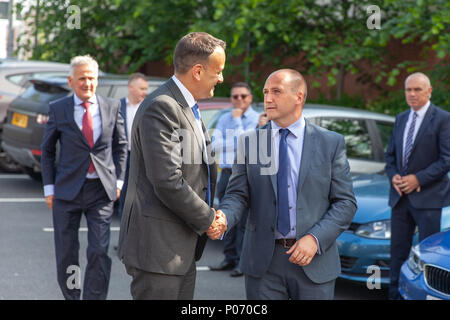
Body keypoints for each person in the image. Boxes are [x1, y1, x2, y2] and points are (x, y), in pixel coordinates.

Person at [213, 69, 357, 300]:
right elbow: (238, 195)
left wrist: (315, 238)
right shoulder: (250, 142)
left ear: (299, 96)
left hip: (314, 261)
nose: (268, 99)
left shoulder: (330, 142)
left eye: (276, 92)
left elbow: (345, 202)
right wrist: (224, 217)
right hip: (263, 264)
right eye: (266, 92)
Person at [117, 32, 227, 300]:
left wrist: (213, 213)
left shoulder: (186, 106)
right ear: (198, 71)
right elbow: (168, 179)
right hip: (159, 251)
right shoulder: (162, 106)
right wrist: (209, 219)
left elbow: (197, 175)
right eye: (219, 71)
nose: (222, 78)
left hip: (179, 247)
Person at [41, 55, 128, 300]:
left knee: (99, 251)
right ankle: (72, 296)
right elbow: (47, 151)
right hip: (66, 192)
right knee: (67, 253)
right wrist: (49, 189)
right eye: (82, 78)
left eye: (91, 78)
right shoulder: (58, 109)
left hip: (100, 191)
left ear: (97, 80)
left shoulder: (112, 106)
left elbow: (121, 146)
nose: (87, 83)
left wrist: (119, 182)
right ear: (71, 81)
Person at [385, 72, 450, 300]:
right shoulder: (401, 118)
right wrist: (393, 175)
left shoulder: (443, 119)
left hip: (429, 200)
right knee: (397, 254)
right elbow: (390, 155)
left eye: (417, 90)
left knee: (427, 259)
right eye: (408, 90)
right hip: (400, 198)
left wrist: (418, 179)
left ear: (429, 91)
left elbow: (446, 159)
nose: (412, 94)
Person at [209, 82, 260, 277]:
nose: (239, 100)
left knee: (244, 222)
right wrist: (233, 141)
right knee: (225, 216)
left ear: (250, 98)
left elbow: (245, 144)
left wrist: (237, 122)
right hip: (227, 174)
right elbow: (216, 145)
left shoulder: (257, 119)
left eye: (243, 96)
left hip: (246, 176)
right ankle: (228, 258)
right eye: (235, 96)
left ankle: (241, 261)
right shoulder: (224, 117)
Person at [117, 73, 149, 220]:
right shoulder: (117, 106)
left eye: (146, 89)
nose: (145, 92)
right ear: (131, 87)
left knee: (141, 198)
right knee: (124, 197)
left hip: (143, 158)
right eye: (142, 88)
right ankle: (123, 239)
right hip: (123, 157)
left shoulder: (149, 107)